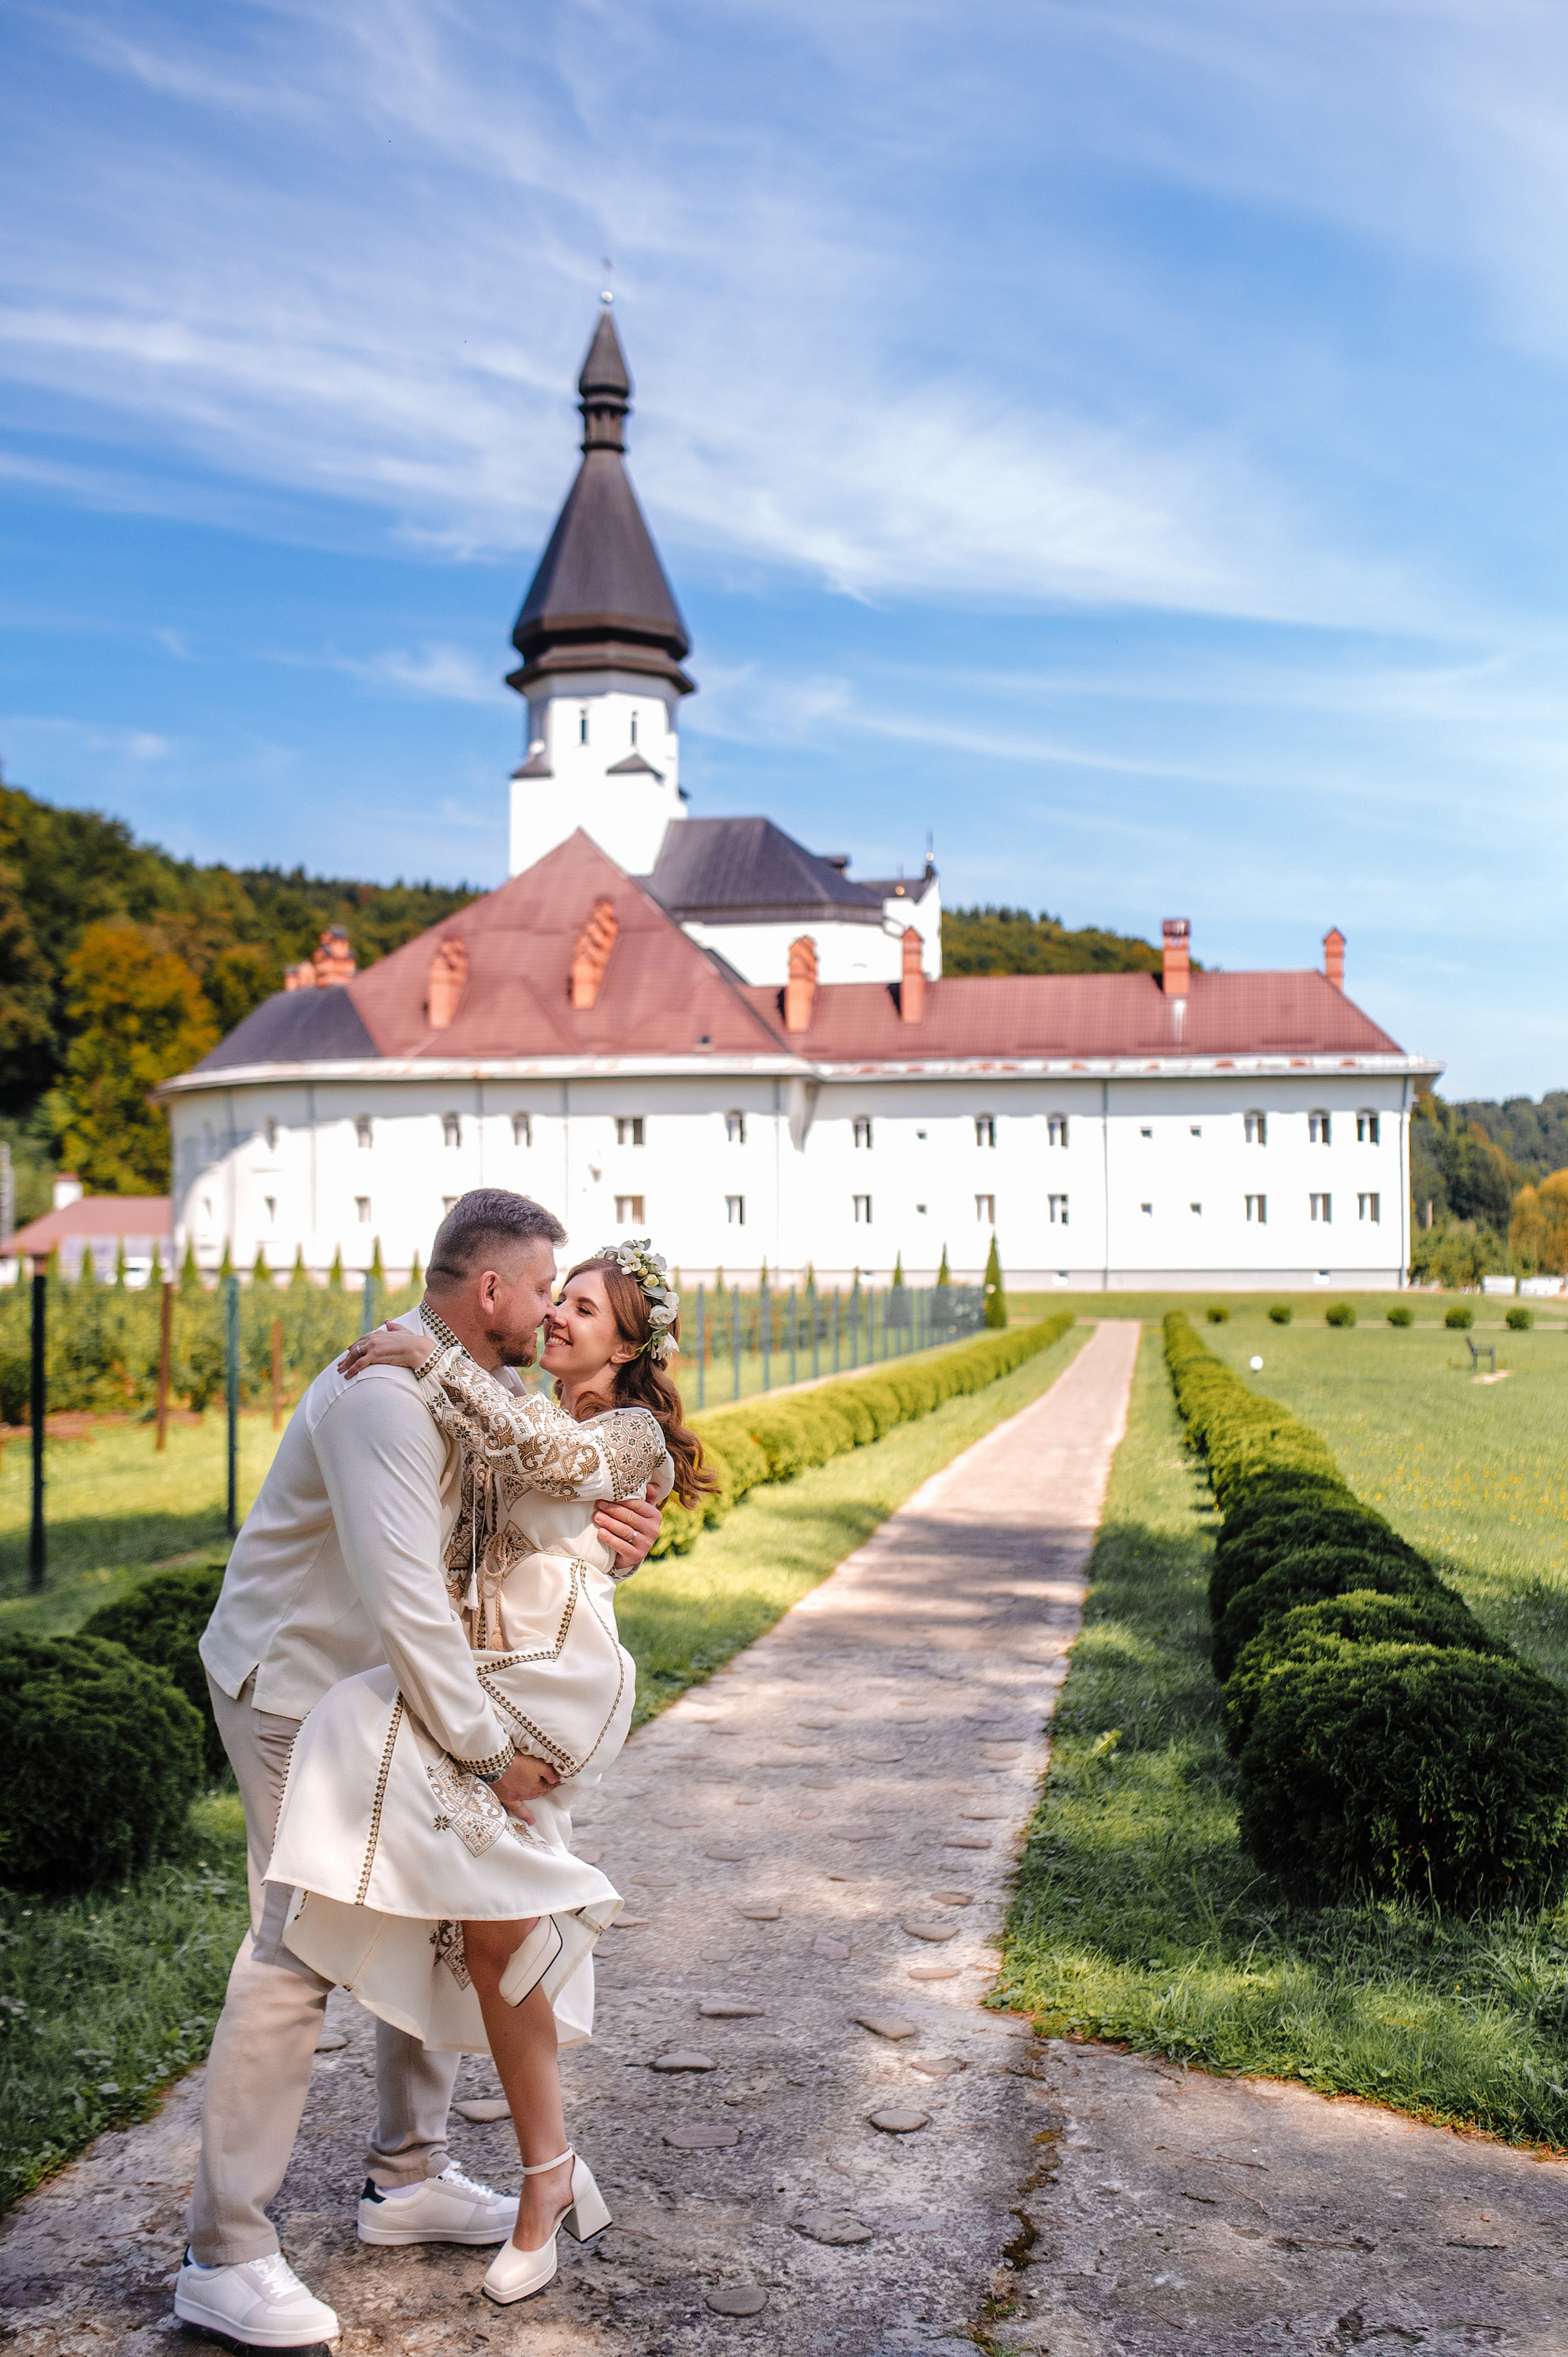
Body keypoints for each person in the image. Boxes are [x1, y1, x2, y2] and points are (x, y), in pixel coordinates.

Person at [172, 1193, 664, 2353]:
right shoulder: (382, 1395)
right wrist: (495, 1756)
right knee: (295, 1946)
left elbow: (513, 1540)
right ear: (490, 1292)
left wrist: (604, 1548)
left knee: (445, 1904)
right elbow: (409, 1607)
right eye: (546, 1289)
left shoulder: (467, 1384)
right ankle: (223, 2253)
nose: (551, 1313)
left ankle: (408, 2180)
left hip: (389, 1695)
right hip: (302, 1690)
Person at [268, 1239, 715, 2306]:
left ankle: (527, 2177)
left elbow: (553, 1469)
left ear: (632, 1341)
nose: (559, 1315)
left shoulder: (625, 1430)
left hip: (554, 1685)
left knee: (465, 1868)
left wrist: (426, 1356)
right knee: (488, 1923)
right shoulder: (518, 1403)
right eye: (558, 1297)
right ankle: (543, 2178)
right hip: (493, 1671)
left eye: (587, 1309)